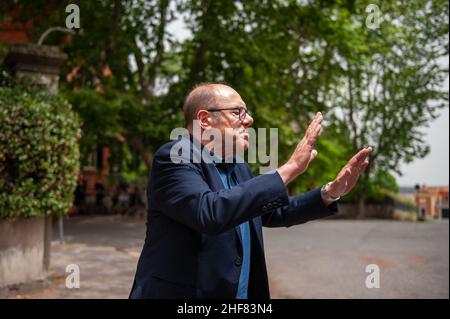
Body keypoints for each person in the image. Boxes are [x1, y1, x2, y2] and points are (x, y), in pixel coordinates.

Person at [129, 83, 372, 299]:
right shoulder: (175, 157)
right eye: (238, 112)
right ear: (204, 120)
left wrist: (330, 192)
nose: (249, 120)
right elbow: (210, 212)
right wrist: (289, 169)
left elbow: (274, 212)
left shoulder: (239, 166)